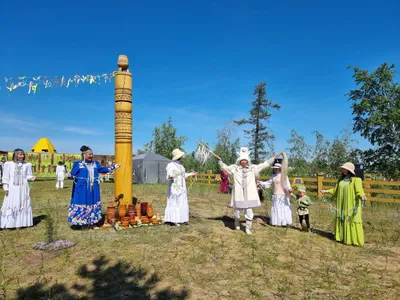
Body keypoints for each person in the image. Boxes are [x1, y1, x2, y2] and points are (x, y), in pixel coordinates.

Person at [214, 147, 280, 235]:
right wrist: (219, 161)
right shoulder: (235, 169)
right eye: (242, 160)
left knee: (249, 211)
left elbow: (263, 165)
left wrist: (273, 159)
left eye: (245, 160)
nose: (244, 162)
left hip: (249, 194)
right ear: (239, 161)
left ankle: (248, 228)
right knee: (237, 212)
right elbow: (225, 168)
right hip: (239, 194)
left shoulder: (253, 168)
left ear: (248, 161)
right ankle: (236, 222)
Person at [68, 145, 120, 229]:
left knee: (92, 203)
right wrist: (72, 176)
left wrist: (114, 167)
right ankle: (83, 224)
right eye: (89, 154)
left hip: (93, 189)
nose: (91, 156)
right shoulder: (79, 164)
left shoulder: (95, 164)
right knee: (83, 203)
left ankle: (93, 223)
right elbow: (73, 173)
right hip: (82, 189)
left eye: (92, 154)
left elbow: (103, 169)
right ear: (84, 155)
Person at [320, 162, 367, 247]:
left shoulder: (356, 180)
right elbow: (335, 191)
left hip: (351, 205)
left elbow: (359, 191)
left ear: (349, 170)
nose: (343, 170)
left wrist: (362, 196)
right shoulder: (341, 180)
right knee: (342, 218)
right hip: (341, 204)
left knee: (351, 219)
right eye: (343, 168)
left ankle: (353, 240)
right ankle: (342, 237)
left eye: (344, 168)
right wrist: (325, 191)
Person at [0, 148, 36, 229]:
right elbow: (5, 177)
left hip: (23, 187)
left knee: (22, 203)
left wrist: (31, 177)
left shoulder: (27, 165)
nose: (22, 156)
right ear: (15, 155)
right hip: (12, 187)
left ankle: (21, 223)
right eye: (20, 154)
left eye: (23, 154)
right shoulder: (8, 164)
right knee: (12, 203)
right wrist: (6, 188)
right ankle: (10, 224)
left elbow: (27, 175)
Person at [164, 149, 197, 226]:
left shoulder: (181, 166)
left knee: (181, 201)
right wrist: (170, 177)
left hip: (182, 186)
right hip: (175, 186)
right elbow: (168, 176)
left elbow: (183, 175)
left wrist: (190, 174)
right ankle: (174, 219)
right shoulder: (171, 165)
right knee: (175, 201)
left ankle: (181, 218)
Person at [259, 162, 293, 227]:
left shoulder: (284, 176)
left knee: (283, 208)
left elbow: (287, 184)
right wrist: (260, 182)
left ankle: (284, 222)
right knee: (276, 207)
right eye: (274, 168)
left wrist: (289, 189)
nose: (275, 169)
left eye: (276, 168)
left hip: (283, 195)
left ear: (279, 169)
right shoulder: (273, 176)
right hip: (275, 195)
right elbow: (268, 183)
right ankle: (277, 222)